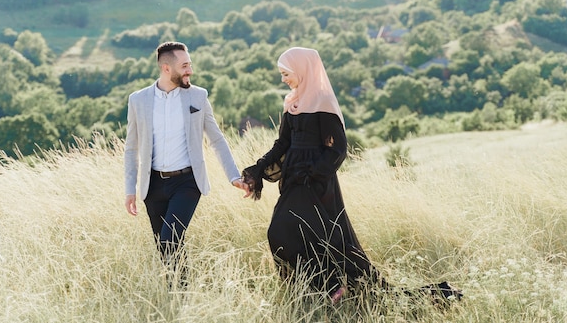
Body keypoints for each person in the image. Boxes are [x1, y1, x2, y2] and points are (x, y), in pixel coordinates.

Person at [242, 47, 462, 305]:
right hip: (293, 181)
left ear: (303, 70)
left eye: (286, 73)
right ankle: (322, 291)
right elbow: (283, 145)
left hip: (316, 184)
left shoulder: (323, 102)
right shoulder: (292, 102)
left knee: (297, 234)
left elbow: (337, 149)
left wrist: (311, 172)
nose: (283, 79)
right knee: (288, 235)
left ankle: (333, 290)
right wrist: (256, 170)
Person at [124, 41, 249, 277]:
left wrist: (234, 176)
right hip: (152, 187)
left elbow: (217, 139)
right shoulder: (138, 100)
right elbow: (131, 148)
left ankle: (181, 293)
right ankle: (179, 298)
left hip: (187, 183)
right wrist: (130, 189)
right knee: (165, 247)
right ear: (166, 68)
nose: (190, 70)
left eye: (189, 64)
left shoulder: (198, 96)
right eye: (184, 66)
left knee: (170, 238)